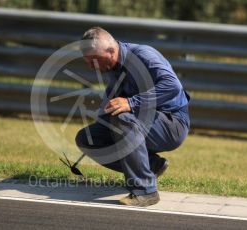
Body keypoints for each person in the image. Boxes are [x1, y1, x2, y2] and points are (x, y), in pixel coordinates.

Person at [75, 27, 190, 206]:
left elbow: (172, 86)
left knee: (122, 118)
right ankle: (151, 166)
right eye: (87, 62)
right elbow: (112, 101)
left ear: (111, 51)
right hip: (140, 121)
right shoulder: (112, 67)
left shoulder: (144, 55)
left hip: (172, 123)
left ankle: (146, 191)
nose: (91, 67)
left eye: (94, 61)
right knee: (87, 138)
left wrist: (131, 103)